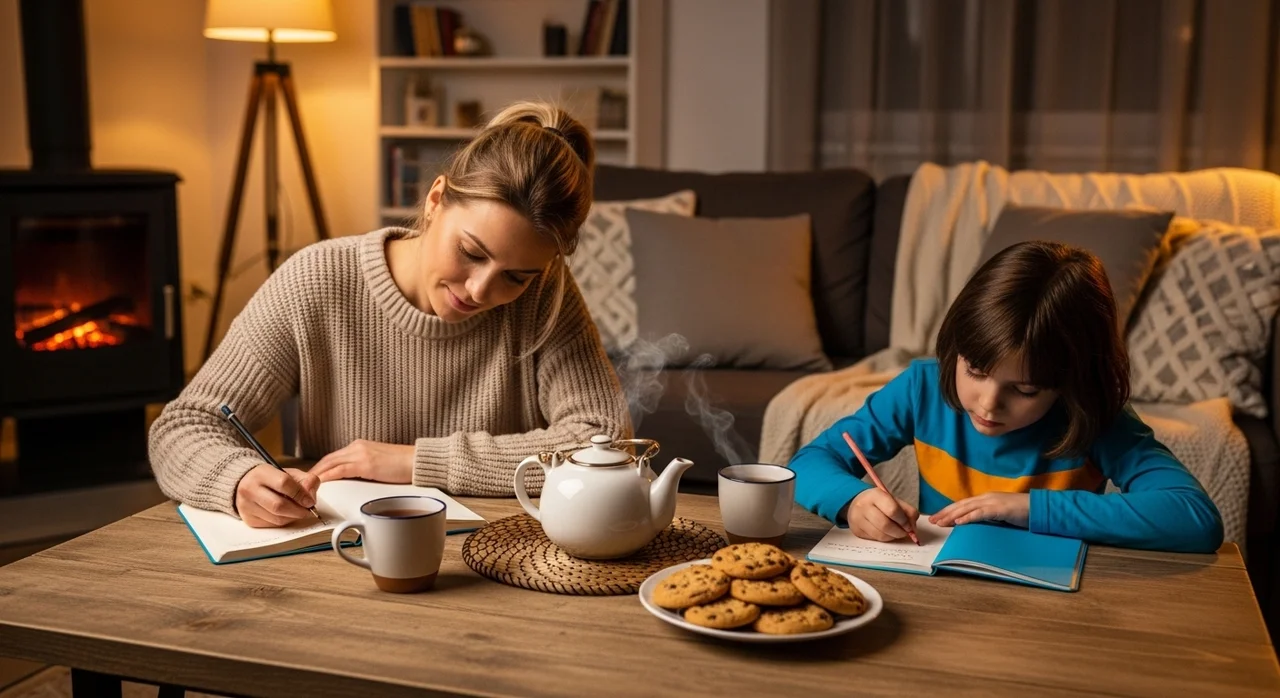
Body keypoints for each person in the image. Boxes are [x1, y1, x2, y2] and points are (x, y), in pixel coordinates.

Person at [149, 101, 631, 528]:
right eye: (470, 252)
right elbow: (184, 426)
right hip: (338, 553)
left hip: (502, 555)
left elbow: (604, 441)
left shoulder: (545, 295)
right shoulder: (318, 280)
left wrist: (417, 462)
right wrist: (239, 480)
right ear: (436, 199)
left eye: (516, 276)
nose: (480, 289)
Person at [788, 240, 1223, 553]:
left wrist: (1029, 509)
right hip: (942, 592)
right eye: (975, 371)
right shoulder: (922, 388)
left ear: (1071, 381)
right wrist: (854, 502)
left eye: (1026, 389)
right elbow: (808, 463)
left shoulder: (1095, 416)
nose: (989, 402)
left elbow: (1194, 518)